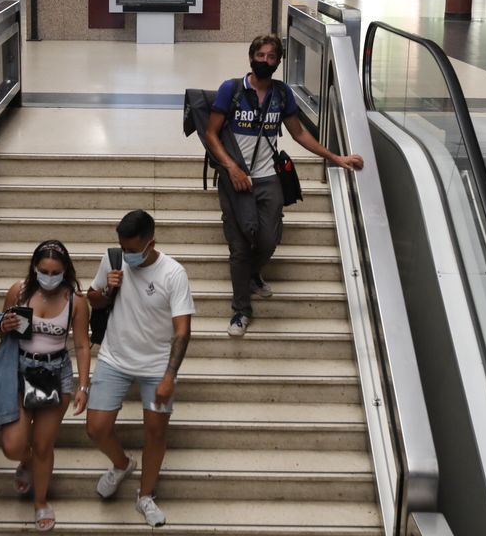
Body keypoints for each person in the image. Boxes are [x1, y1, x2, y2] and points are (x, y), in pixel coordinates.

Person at [203, 35, 364, 337]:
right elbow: (211, 133)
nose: (265, 61)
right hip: (235, 178)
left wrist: (335, 157)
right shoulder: (231, 90)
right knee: (239, 247)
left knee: (268, 240)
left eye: (271, 57)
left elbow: (299, 133)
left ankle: (253, 274)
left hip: (268, 178)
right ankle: (241, 311)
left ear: (279, 61)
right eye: (260, 55)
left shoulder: (282, 93)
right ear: (251, 57)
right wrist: (232, 167)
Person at [85, 210, 193, 527]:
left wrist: (169, 376)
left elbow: (183, 331)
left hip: (156, 365)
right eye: (123, 247)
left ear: (150, 244)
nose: (126, 255)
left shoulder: (173, 273)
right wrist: (106, 290)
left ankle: (145, 496)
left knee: (155, 433)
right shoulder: (113, 259)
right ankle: (122, 464)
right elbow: (93, 299)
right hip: (114, 357)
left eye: (132, 250)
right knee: (96, 428)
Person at [0, 239, 91, 532]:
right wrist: (3, 326)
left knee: (44, 445)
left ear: (65, 271)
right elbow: (3, 331)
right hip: (18, 371)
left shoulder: (76, 301)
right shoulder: (19, 291)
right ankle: (27, 461)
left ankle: (41, 501)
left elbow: (82, 345)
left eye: (55, 272)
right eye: (44, 271)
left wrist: (83, 386)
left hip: (55, 375)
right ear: (34, 268)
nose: (49, 277)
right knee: (13, 446)